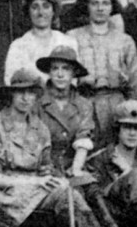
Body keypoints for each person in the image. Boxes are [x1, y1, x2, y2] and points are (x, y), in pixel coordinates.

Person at [0, 68, 102, 227]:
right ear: (11, 94)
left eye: (31, 93)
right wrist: (35, 182)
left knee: (69, 192)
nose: (26, 98)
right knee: (64, 195)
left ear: (36, 97)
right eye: (20, 92)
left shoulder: (40, 128)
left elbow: (45, 169)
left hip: (34, 194)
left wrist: (55, 180)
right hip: (4, 196)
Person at [67, 0, 137, 143]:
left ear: (111, 7)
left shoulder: (124, 40)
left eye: (105, 3)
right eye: (95, 3)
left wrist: (131, 109)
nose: (100, 8)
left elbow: (135, 83)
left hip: (116, 101)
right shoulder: (73, 37)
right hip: (84, 101)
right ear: (87, 7)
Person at [83, 100, 137, 227]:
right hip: (112, 223)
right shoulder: (100, 158)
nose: (132, 133)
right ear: (118, 129)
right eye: (127, 127)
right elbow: (94, 195)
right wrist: (128, 175)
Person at [34, 45, 95, 175]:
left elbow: (83, 139)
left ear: (74, 73)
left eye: (66, 69)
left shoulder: (84, 105)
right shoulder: (37, 103)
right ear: (49, 72)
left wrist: (75, 169)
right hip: (42, 167)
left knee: (87, 191)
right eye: (55, 68)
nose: (60, 74)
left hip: (73, 165)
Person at [3, 0, 78, 87]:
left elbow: (74, 79)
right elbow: (10, 80)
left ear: (53, 11)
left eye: (46, 6)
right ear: (28, 12)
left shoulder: (67, 42)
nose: (41, 12)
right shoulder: (18, 45)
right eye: (35, 7)